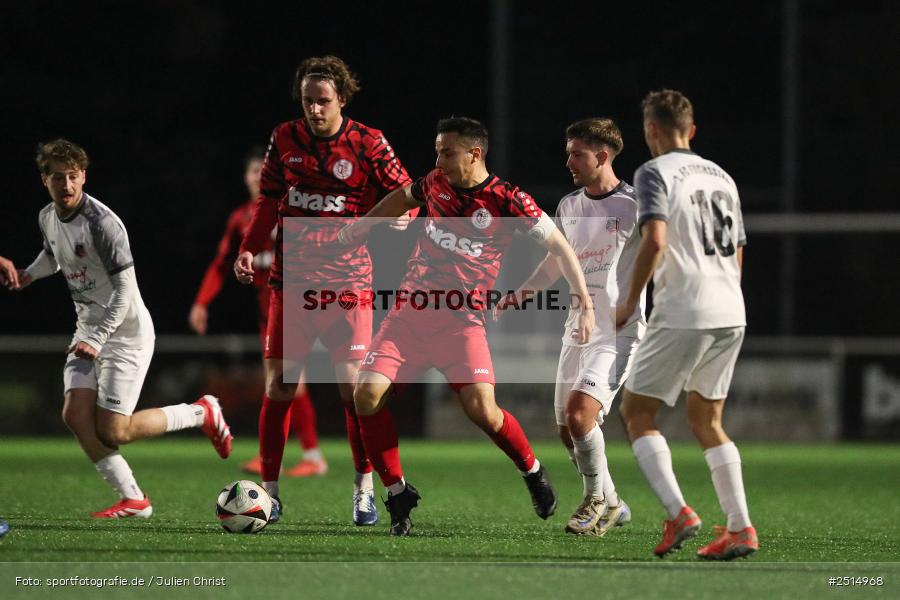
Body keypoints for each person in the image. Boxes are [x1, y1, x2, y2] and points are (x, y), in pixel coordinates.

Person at [340, 116, 596, 536]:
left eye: (446, 152)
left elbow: (560, 247)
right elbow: (399, 199)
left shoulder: (507, 199)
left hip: (461, 325)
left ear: (474, 153)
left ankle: (531, 470)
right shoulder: (434, 184)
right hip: (409, 315)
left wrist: (583, 300)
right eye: (437, 151)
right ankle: (396, 491)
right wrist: (365, 225)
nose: (437, 160)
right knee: (365, 394)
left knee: (482, 410)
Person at [233, 56, 416, 526]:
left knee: (353, 390)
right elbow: (268, 200)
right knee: (281, 386)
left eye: (323, 101)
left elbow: (407, 191)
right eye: (307, 101)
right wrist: (250, 248)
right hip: (291, 283)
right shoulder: (284, 138)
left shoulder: (367, 142)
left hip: (347, 282)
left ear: (342, 99)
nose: (314, 109)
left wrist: (404, 216)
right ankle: (269, 494)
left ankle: (363, 489)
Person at [16, 139, 232, 518]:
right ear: (44, 180)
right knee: (75, 415)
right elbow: (53, 254)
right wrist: (26, 276)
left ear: (83, 176)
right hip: (88, 331)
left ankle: (202, 412)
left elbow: (125, 291)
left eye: (72, 177)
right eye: (57, 178)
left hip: (125, 334)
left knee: (114, 431)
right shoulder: (47, 216)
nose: (66, 185)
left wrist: (98, 339)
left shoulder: (103, 224)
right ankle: (135, 499)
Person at [616, 89, 758, 560]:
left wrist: (630, 300)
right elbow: (737, 247)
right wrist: (725, 294)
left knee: (636, 413)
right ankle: (740, 528)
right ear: (691, 130)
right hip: (730, 308)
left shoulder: (653, 172)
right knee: (707, 420)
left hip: (684, 308)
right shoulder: (723, 176)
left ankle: (678, 512)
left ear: (651, 130)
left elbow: (655, 239)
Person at [499, 118, 641, 537]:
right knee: (567, 430)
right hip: (577, 327)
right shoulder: (569, 205)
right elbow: (561, 260)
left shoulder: (635, 205)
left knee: (581, 416)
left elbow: (660, 254)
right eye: (568, 153)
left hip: (619, 329)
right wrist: (519, 295)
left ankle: (595, 501)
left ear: (602, 156)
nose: (568, 161)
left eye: (576, 153)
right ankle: (613, 501)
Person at [190, 146, 326, 478]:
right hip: (269, 313)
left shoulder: (292, 209)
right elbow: (222, 264)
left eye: (263, 172)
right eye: (253, 172)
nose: (257, 177)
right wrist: (201, 302)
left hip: (299, 307)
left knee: (287, 380)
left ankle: (304, 456)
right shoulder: (240, 217)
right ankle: (300, 456)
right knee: (284, 381)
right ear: (246, 177)